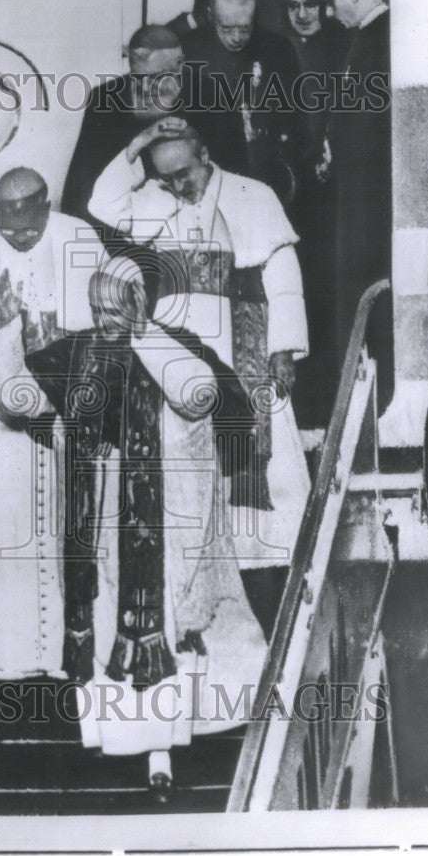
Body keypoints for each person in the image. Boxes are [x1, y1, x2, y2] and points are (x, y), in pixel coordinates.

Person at [0, 258, 269, 801]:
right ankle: (132, 752)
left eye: (113, 309)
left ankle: (164, 755)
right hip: (100, 528)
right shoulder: (82, 349)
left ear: (139, 307)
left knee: (173, 642)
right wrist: (4, 330)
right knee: (107, 645)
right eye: (96, 309)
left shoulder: (178, 344)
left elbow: (215, 402)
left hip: (170, 525)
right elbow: (15, 395)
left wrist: (149, 342)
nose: (103, 319)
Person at [88, 117, 311, 640]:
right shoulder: (149, 199)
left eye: (184, 174)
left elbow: (283, 279)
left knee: (263, 483)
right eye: (164, 177)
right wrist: (138, 142)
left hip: (244, 342)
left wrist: (284, 349)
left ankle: (274, 601)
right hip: (180, 356)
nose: (177, 186)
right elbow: (101, 203)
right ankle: (206, 613)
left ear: (206, 155)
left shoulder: (252, 195)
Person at [0, 167, 103, 680]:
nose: (20, 239)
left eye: (29, 230)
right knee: (5, 536)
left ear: (47, 207)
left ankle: (68, 660)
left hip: (63, 413)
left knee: (69, 528)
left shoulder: (78, 237)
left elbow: (94, 336)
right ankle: (6, 662)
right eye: (10, 231)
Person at [269, 0, 349, 430]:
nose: (302, 14)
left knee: (325, 294)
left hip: (334, 192)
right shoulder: (278, 49)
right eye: (292, 5)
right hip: (291, 189)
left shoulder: (342, 45)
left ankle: (325, 404)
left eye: (310, 3)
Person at [320, 0, 394, 413]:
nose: (330, 13)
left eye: (331, 1)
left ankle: (373, 405)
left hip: (367, 199)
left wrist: (338, 151)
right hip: (356, 192)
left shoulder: (379, 37)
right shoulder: (368, 36)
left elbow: (370, 126)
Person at [181, 0, 305, 205]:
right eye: (226, 29)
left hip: (268, 170)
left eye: (244, 29)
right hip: (211, 171)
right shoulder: (188, 50)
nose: (237, 38)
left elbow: (296, 113)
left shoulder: (278, 49)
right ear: (210, 15)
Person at [60, 24, 185, 232]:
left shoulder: (209, 99)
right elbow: (77, 196)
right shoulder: (107, 99)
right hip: (120, 238)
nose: (144, 88)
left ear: (179, 66)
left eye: (155, 78)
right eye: (137, 76)